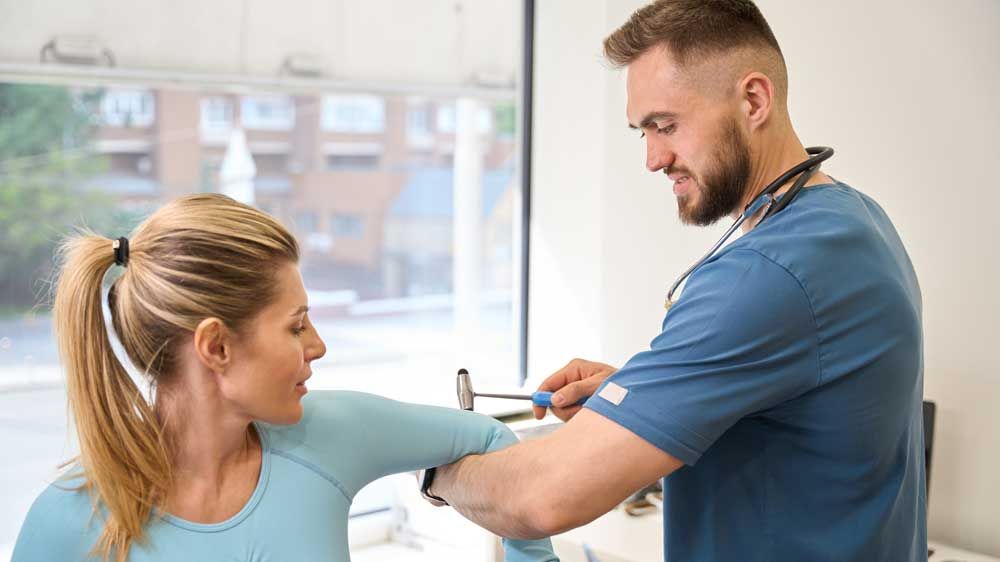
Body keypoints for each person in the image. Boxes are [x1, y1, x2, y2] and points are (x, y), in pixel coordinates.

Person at [423, 1, 926, 561]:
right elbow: (796, 406)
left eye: (665, 126)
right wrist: (649, 400)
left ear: (754, 100)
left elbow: (540, 499)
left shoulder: (765, 276)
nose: (653, 159)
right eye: (642, 132)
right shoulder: (857, 220)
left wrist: (435, 470)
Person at [11, 194, 558, 562]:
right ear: (216, 347)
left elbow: (491, 438)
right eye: (296, 327)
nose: (318, 346)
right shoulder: (68, 522)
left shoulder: (329, 433)